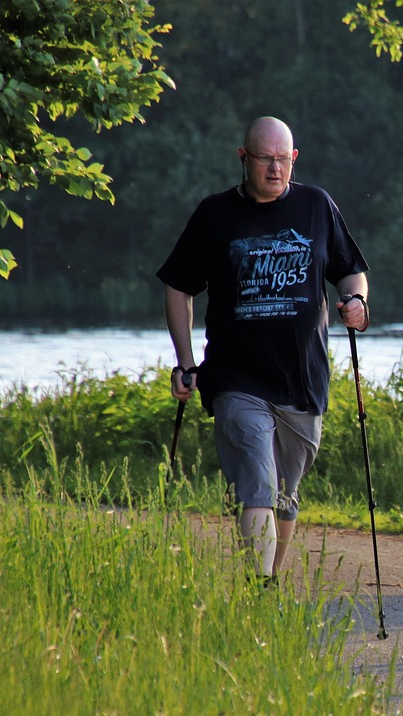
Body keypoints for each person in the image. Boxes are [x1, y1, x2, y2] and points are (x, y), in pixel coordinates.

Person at [157, 116, 371, 583]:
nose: (275, 169)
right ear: (243, 158)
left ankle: (267, 586)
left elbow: (350, 270)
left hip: (302, 379)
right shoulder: (215, 215)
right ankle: (260, 587)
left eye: (283, 160)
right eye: (264, 159)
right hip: (236, 379)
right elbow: (178, 287)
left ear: (294, 159)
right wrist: (185, 361)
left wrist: (355, 300)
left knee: (285, 496)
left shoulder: (316, 206)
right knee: (258, 482)